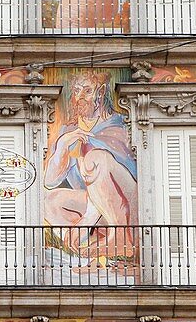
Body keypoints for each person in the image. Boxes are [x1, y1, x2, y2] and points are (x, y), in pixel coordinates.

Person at [44, 71, 136, 256]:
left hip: (127, 204)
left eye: (87, 91)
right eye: (77, 91)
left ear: (100, 93)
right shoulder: (69, 130)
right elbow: (50, 181)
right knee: (49, 200)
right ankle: (81, 247)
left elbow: (120, 176)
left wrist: (88, 218)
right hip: (98, 211)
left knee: (96, 158)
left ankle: (120, 237)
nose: (80, 97)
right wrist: (62, 145)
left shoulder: (117, 125)